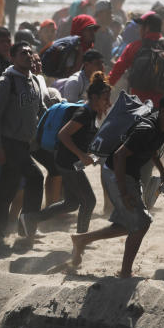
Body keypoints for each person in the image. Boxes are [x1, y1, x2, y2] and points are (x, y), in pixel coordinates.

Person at [70, 92, 164, 277]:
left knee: (129, 225)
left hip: (130, 175)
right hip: (117, 174)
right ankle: (125, 272)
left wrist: (163, 172)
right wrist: (123, 192)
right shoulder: (146, 128)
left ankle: (82, 239)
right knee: (141, 224)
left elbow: (153, 151)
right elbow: (118, 156)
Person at [26, 73, 112, 235]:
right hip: (67, 162)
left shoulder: (92, 114)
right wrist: (81, 155)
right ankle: (81, 238)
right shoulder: (83, 114)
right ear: (94, 97)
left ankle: (31, 218)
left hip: (69, 161)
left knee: (72, 203)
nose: (109, 103)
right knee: (89, 201)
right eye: (105, 98)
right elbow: (62, 135)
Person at [0, 41, 45, 239]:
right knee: (36, 177)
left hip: (25, 144)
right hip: (9, 142)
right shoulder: (6, 82)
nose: (27, 55)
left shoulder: (34, 80)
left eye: (29, 52)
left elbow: (40, 110)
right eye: (22, 53)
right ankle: (28, 228)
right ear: (12, 57)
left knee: (8, 187)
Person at [108, 12, 164, 106]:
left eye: (141, 27)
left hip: (139, 105)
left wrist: (104, 91)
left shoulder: (134, 47)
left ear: (147, 28)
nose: (139, 30)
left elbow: (116, 71)